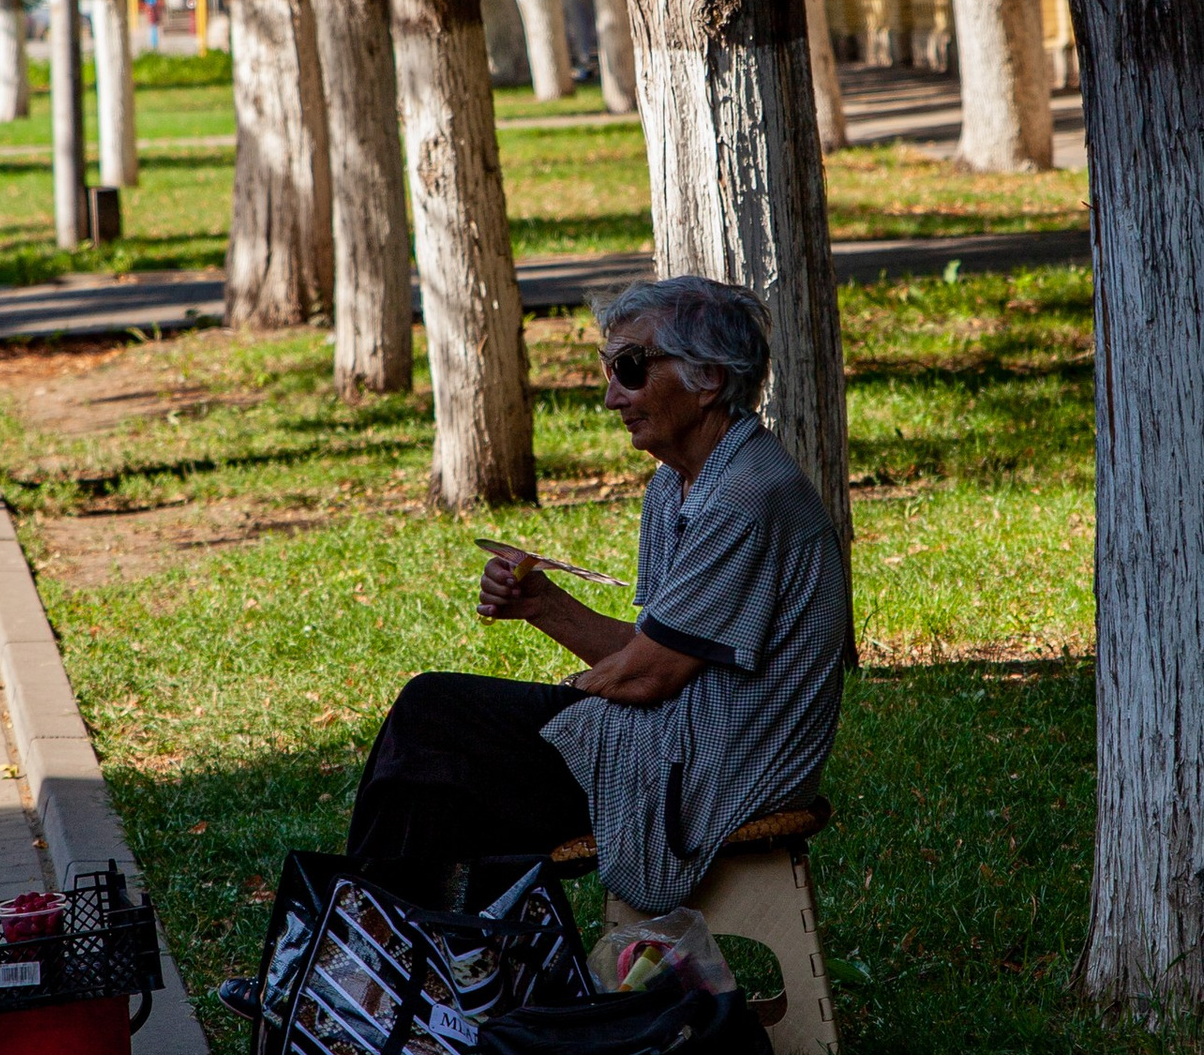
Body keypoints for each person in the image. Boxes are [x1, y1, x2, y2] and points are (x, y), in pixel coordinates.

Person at [348, 276, 851, 913]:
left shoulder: (744, 496)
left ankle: (363, 957)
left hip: (725, 768)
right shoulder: (680, 486)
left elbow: (649, 678)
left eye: (631, 368)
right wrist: (543, 605)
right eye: (609, 368)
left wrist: (567, 701)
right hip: (679, 739)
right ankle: (407, 965)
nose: (613, 396)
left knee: (436, 714)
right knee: (439, 766)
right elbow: (659, 653)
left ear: (710, 381)